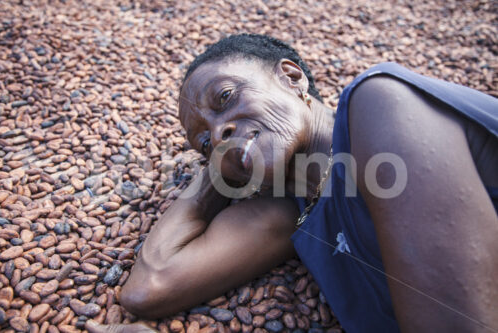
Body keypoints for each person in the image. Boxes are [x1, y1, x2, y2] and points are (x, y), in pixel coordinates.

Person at [86, 34, 498, 333]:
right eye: (204, 142)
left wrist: (228, 143)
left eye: (226, 96)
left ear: (292, 78)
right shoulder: (294, 213)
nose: (218, 132)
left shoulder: (381, 104)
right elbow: (150, 286)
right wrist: (221, 161)